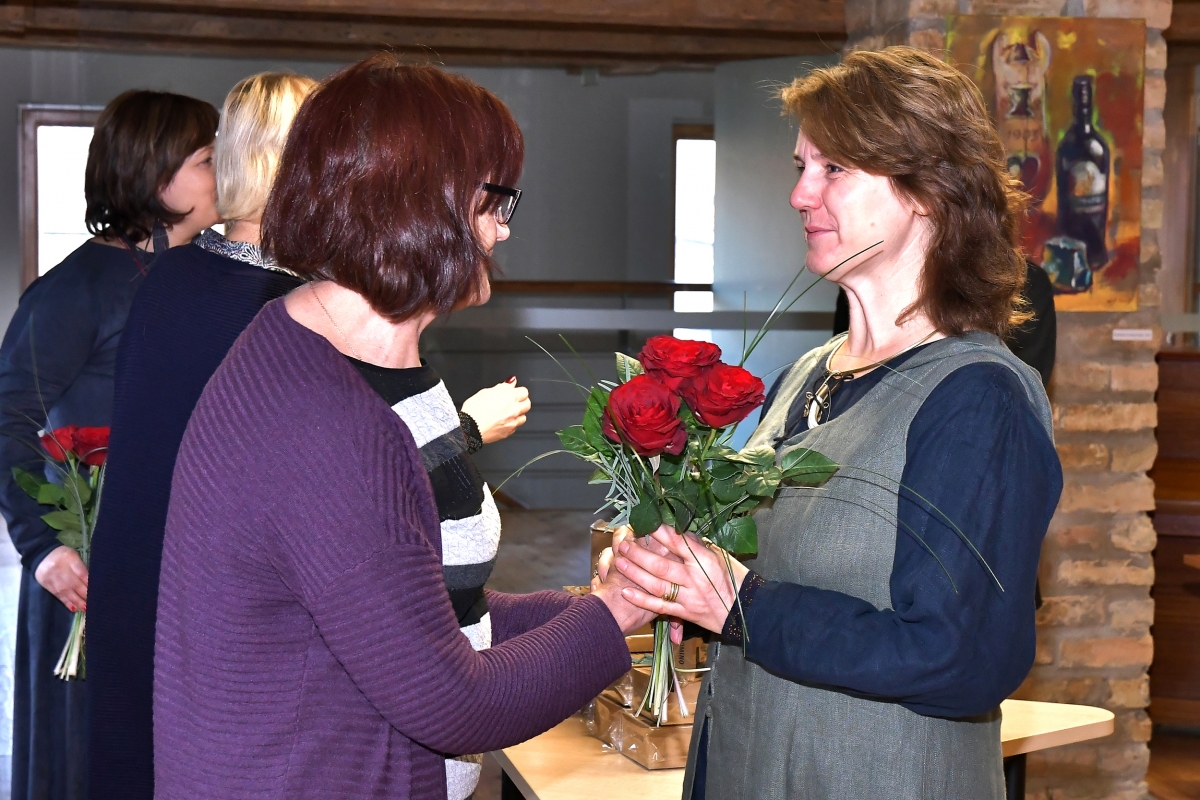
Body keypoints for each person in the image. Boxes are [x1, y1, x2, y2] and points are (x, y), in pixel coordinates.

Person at [152, 56, 650, 800]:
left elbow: (408, 606)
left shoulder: (309, 345)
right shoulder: (329, 424)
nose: (503, 230)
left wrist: (586, 607)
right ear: (421, 206)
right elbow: (452, 704)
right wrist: (611, 619)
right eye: (495, 201)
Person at [610, 47, 1063, 799]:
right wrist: (674, 573)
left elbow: (963, 656)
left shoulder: (979, 398)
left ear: (928, 191)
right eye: (801, 167)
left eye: (834, 169)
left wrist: (742, 607)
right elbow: (770, 567)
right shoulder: (806, 374)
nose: (799, 194)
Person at [86, 71, 534, 800]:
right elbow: (357, 498)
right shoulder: (299, 315)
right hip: (256, 645)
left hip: (154, 590)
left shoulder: (171, 277)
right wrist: (470, 431)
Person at [0, 90, 218, 800]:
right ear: (156, 174)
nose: (225, 174)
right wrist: (43, 547)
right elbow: (7, 417)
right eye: (208, 160)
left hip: (175, 567)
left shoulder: (202, 278)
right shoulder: (75, 291)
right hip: (87, 564)